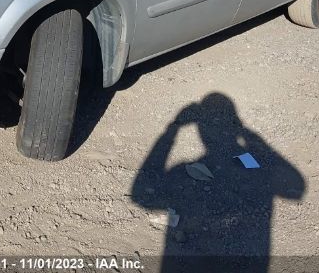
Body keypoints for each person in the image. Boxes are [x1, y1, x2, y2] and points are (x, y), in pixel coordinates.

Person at [131, 92, 306, 273]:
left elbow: (139, 196)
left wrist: (171, 131)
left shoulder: (181, 169)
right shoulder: (239, 155)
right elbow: (294, 186)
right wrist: (245, 133)